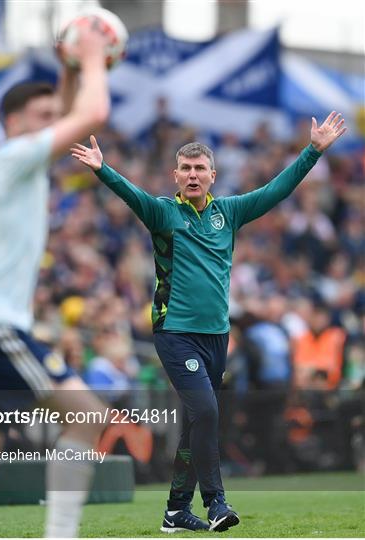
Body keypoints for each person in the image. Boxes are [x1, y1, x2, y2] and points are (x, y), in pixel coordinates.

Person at [71, 111, 346, 533]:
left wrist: (312, 151)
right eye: (186, 168)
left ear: (213, 175)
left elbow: (276, 190)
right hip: (175, 331)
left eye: (200, 168)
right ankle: (216, 502)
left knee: (197, 420)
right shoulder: (164, 213)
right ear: (175, 175)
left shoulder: (229, 213)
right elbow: (133, 195)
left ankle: (176, 510)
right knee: (206, 410)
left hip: (217, 336)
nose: (193, 174)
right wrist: (103, 169)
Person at [0, 25, 110, 539]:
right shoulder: (12, 159)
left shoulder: (4, 163)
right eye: (43, 118)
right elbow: (92, 116)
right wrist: (95, 59)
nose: (56, 126)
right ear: (12, 122)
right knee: (87, 415)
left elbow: (73, 113)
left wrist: (70, 71)